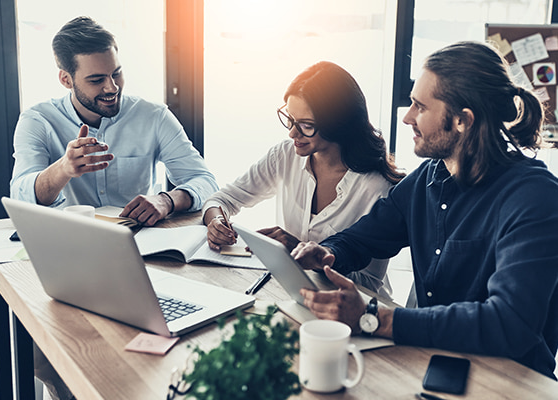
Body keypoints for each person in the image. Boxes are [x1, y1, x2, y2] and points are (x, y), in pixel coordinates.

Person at [292, 41, 558, 379]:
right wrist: (327, 252)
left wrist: (375, 317)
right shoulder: (431, 176)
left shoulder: (535, 197)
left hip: (512, 381)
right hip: (436, 363)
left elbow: (509, 324)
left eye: (419, 106)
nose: (407, 117)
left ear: (463, 120)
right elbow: (368, 236)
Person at [202, 61, 404, 293]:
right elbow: (221, 199)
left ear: (338, 123)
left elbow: (369, 285)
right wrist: (215, 221)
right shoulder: (285, 156)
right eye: (290, 119)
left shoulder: (377, 188)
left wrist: (307, 253)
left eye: (306, 125)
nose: (292, 133)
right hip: (293, 293)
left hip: (350, 310)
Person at [10, 16, 218, 226]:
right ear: (66, 79)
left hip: (138, 240)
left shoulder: (154, 116)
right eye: (97, 80)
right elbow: (21, 198)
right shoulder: (37, 121)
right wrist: (63, 169)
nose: (112, 87)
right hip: (68, 241)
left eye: (116, 74)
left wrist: (167, 200)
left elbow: (205, 181)